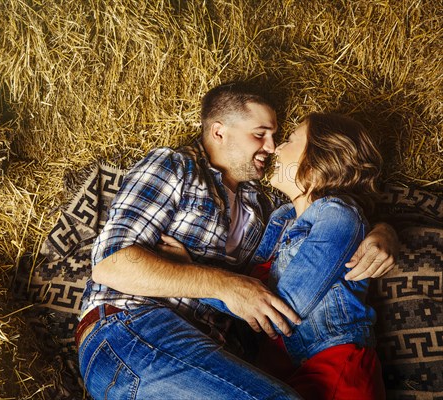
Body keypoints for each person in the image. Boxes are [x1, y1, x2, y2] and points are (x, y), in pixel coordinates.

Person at [76, 82, 397, 399]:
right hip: (133, 329)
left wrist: (384, 231)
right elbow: (110, 265)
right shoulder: (176, 166)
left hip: (214, 356)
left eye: (278, 137)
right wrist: (224, 285)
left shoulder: (264, 210)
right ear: (219, 132)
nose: (271, 147)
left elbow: (331, 218)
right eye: (260, 134)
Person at [199, 112, 387, 398]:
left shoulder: (339, 216)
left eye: (289, 140)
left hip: (333, 367)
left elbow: (279, 309)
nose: (276, 148)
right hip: (279, 372)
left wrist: (189, 276)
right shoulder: (281, 217)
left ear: (317, 162)